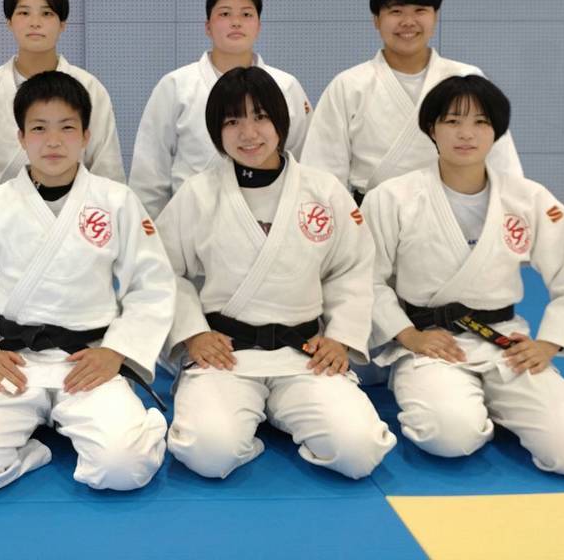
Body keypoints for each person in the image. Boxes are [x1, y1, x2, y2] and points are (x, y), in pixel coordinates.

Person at [0, 71, 174, 494]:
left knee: (124, 469)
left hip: (88, 362)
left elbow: (152, 286)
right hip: (14, 362)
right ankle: (33, 453)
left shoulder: (116, 201)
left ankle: (132, 423)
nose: (53, 141)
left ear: (86, 135)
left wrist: (117, 351)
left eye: (66, 128)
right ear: (20, 137)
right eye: (39, 128)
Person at [361, 75, 564, 476]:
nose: (466, 133)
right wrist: (408, 336)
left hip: (504, 341)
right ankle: (466, 403)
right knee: (449, 437)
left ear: (496, 131)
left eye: (481, 122)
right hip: (431, 343)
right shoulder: (392, 197)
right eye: (452, 121)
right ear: (431, 128)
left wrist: (549, 343)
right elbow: (366, 278)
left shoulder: (529, 199)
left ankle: (494, 402)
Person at [157, 66, 395, 480]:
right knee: (208, 453)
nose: (248, 133)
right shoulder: (198, 193)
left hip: (305, 354)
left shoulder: (323, 191)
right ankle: (250, 431)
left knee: (359, 452)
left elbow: (352, 269)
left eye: (260, 117)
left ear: (281, 123)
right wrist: (192, 334)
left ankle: (270, 416)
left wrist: (341, 337)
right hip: (226, 354)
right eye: (233, 121)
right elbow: (163, 271)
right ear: (216, 132)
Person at [301, 0, 521, 205]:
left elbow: (501, 162)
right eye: (396, 11)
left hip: (455, 211)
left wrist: (511, 209)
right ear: (376, 20)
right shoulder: (349, 85)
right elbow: (323, 172)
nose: (408, 22)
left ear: (435, 16)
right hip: (373, 215)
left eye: (420, 10)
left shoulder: (465, 78)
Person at [0, 0, 124, 232]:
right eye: (24, 13)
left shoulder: (89, 88)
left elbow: (107, 171)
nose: (35, 23)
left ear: (62, 24)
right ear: (9, 21)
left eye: (47, 13)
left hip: (73, 221)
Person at [129, 0, 311, 219]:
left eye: (246, 14)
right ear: (208, 26)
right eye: (225, 14)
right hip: (193, 220)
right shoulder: (176, 86)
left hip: (271, 219)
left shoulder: (286, 86)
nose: (236, 22)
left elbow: (304, 162)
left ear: (258, 26)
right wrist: (154, 232)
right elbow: (150, 172)